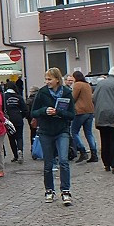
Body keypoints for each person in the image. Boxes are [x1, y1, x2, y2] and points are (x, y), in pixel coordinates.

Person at [31, 67, 75, 205]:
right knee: (48, 163)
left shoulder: (67, 93)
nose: (47, 81)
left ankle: (66, 191)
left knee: (63, 160)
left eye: (49, 79)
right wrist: (45, 111)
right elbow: (33, 112)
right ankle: (49, 190)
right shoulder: (42, 93)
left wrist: (59, 112)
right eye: (46, 79)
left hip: (62, 130)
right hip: (45, 131)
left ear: (57, 80)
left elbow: (72, 115)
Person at [70, 71, 99, 164]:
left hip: (80, 111)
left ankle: (82, 151)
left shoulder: (77, 85)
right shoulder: (87, 85)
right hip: (90, 111)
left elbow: (73, 98)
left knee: (74, 132)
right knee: (89, 133)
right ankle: (94, 153)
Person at [2, 82, 26, 162]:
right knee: (19, 137)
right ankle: (20, 150)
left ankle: (15, 155)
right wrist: (22, 116)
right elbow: (25, 109)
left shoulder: (4, 96)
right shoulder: (18, 97)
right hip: (18, 118)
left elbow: (1, 108)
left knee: (11, 138)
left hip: (9, 119)